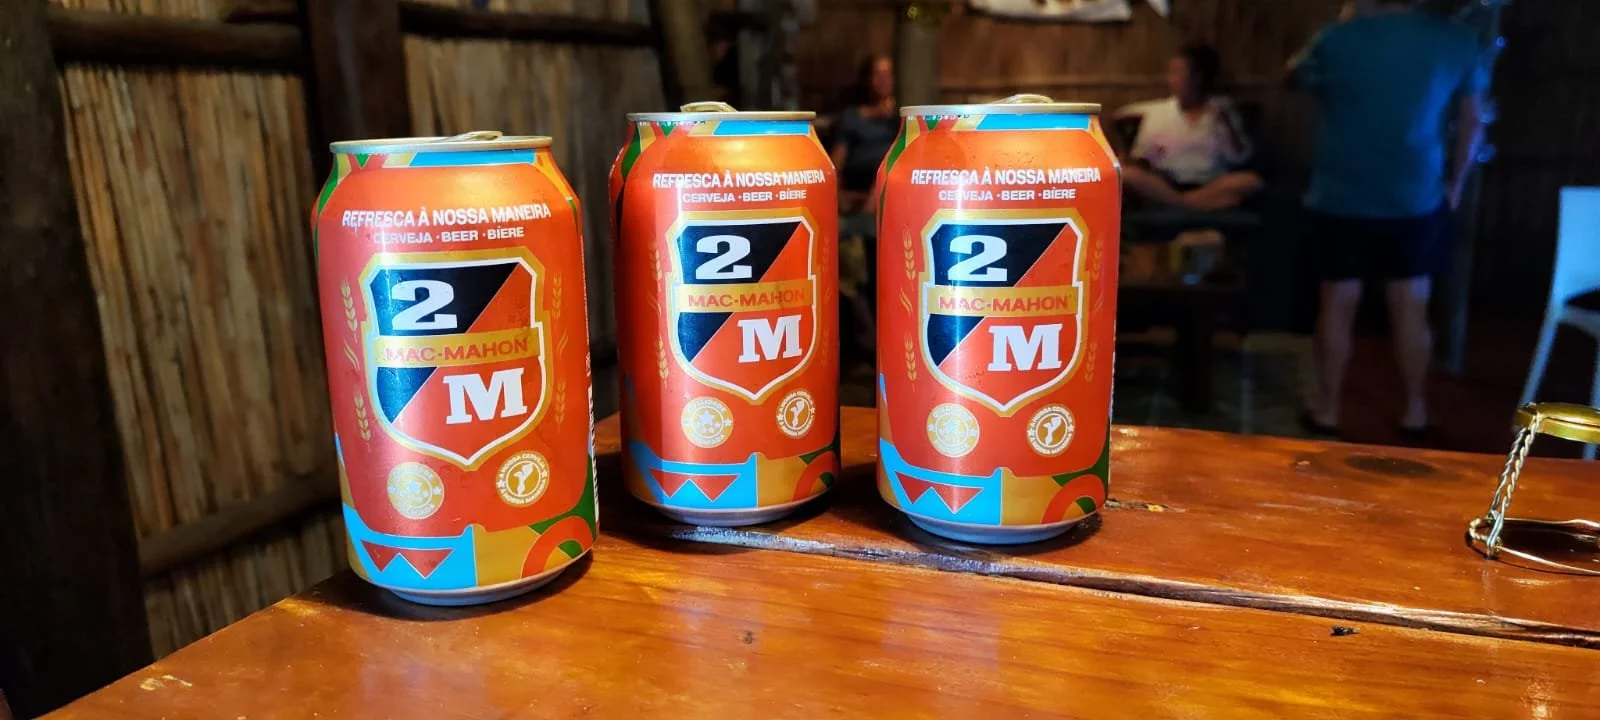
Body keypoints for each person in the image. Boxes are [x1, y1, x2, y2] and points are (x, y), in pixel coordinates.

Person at [1288, 0, 1487, 438]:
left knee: (1337, 302)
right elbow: (1473, 122)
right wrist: (1454, 187)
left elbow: (1292, 77)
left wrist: (1344, 19)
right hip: (1415, 195)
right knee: (1411, 304)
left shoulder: (1335, 40)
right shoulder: (1457, 40)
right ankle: (1415, 412)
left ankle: (1328, 411)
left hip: (1339, 194)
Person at [1117, 44, 1264, 212]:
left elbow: (1240, 158)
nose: (1171, 80)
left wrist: (1227, 125)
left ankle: (1183, 203)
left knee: (1251, 181)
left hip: (1211, 183)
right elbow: (1142, 156)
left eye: (1178, 73)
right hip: (1165, 184)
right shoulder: (1158, 113)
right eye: (1171, 73)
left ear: (1197, 77)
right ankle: (1190, 203)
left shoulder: (1221, 111)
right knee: (1127, 174)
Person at [830, 55, 897, 214]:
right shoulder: (852, 117)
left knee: (886, 171)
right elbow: (836, 161)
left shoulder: (901, 118)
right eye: (878, 74)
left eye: (887, 74)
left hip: (887, 186)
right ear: (868, 79)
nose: (883, 80)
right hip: (856, 185)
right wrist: (836, 194)